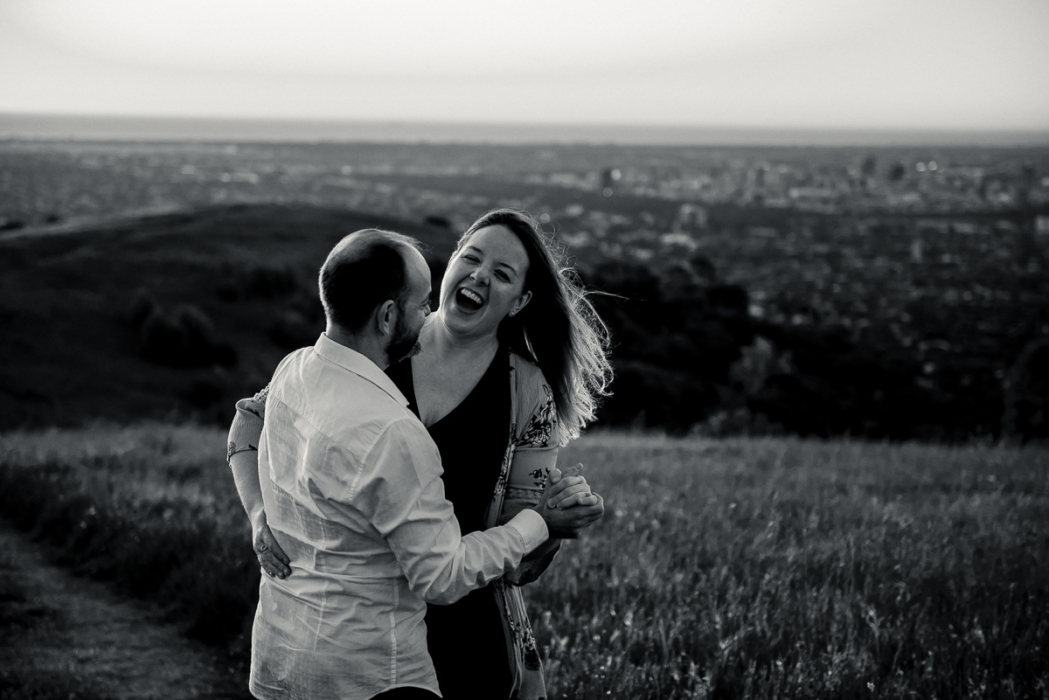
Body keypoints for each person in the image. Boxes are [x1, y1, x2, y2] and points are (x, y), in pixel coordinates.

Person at [229, 209, 614, 699]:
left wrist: (558, 522)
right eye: (471, 257)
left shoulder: (527, 392)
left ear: (520, 302)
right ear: (451, 262)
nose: (479, 275)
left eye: (501, 273)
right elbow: (251, 420)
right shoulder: (377, 342)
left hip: (468, 631)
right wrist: (261, 516)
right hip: (361, 629)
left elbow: (520, 558)